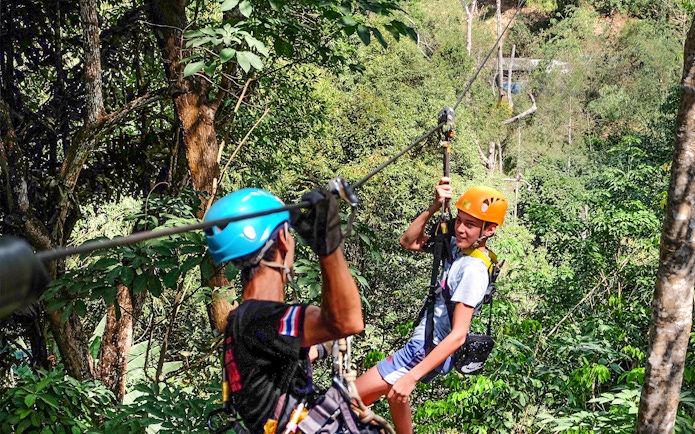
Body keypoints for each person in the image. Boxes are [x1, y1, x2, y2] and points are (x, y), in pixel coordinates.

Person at [205, 187, 378, 434]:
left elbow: (281, 360)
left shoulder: (243, 321)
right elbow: (347, 321)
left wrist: (320, 346)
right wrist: (329, 247)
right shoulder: (261, 319)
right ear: (284, 241)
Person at [354, 177, 508, 434]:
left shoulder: (473, 269)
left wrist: (412, 377)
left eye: (470, 225)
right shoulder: (459, 249)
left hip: (425, 349)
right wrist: (434, 207)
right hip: (425, 343)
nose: (460, 229)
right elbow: (409, 241)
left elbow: (459, 335)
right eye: (459, 220)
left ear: (489, 230)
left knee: (347, 402)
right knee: (395, 396)